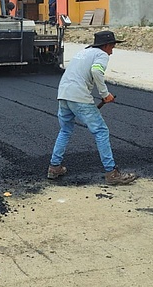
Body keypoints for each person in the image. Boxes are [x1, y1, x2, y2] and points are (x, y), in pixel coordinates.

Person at [48, 30, 137, 186]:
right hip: (79, 95)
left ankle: (54, 167)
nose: (112, 52)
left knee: (65, 130)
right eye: (113, 47)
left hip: (63, 93)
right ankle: (112, 173)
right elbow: (96, 71)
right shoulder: (101, 55)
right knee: (101, 131)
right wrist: (105, 94)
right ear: (107, 45)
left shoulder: (84, 52)